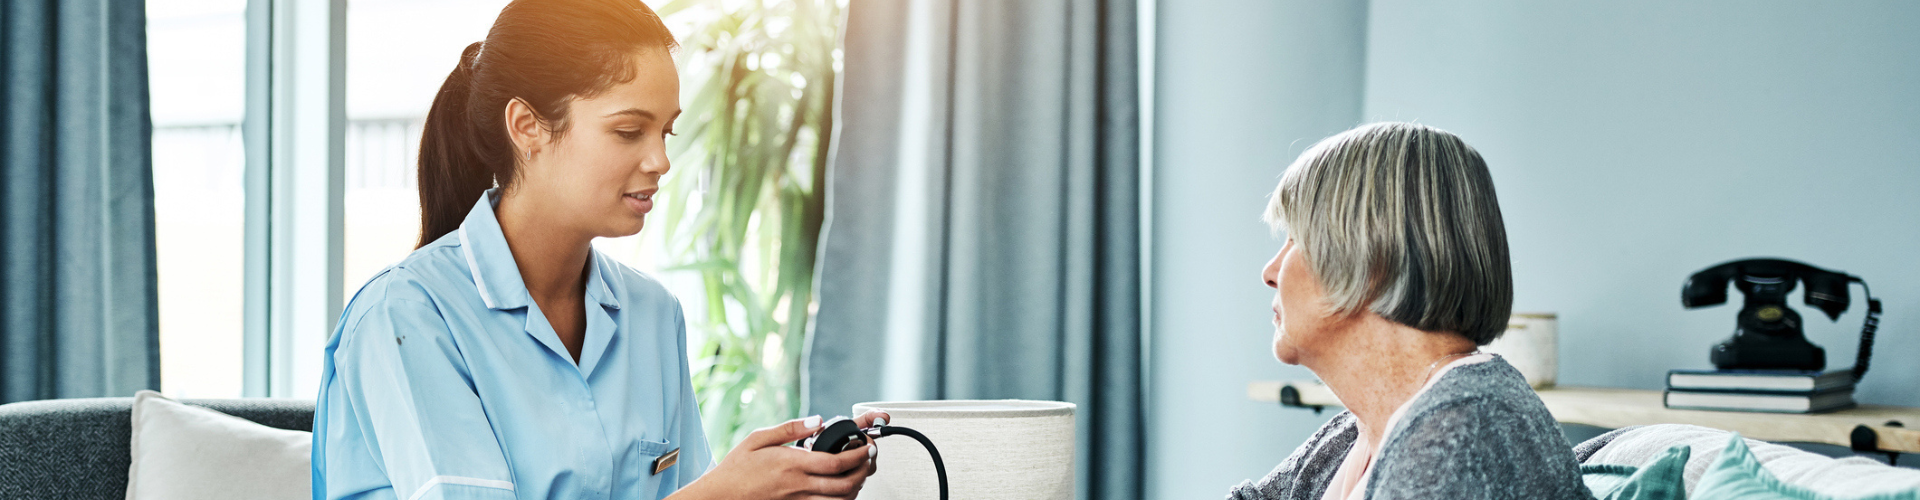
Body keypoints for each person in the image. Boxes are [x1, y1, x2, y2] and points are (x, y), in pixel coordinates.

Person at [311, 1, 885, 499]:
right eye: (629, 131)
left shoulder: (653, 315)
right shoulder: (405, 316)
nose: (660, 161)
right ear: (528, 126)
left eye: (667, 132)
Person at [1228, 122, 1590, 500]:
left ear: (1371, 257)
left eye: (1295, 239)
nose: (1270, 272)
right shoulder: (1360, 432)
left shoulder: (1465, 433)